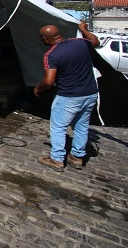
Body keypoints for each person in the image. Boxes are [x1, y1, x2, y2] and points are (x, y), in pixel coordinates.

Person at [34, 21, 100, 172]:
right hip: (90, 93)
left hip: (69, 96)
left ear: (45, 39)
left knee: (58, 127)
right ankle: (77, 157)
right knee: (81, 126)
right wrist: (83, 29)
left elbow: (49, 81)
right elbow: (95, 41)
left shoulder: (52, 54)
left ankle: (56, 159)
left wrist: (38, 88)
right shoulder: (80, 43)